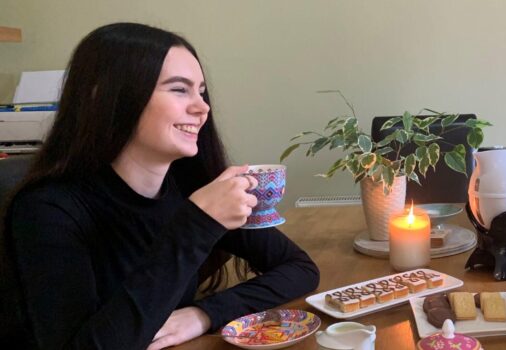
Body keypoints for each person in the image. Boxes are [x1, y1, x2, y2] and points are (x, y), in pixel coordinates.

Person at [0, 23, 319, 349]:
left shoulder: (189, 183)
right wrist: (196, 225)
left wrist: (202, 315)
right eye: (179, 89)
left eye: (201, 91)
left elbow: (300, 268)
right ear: (106, 96)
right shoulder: (47, 210)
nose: (202, 107)